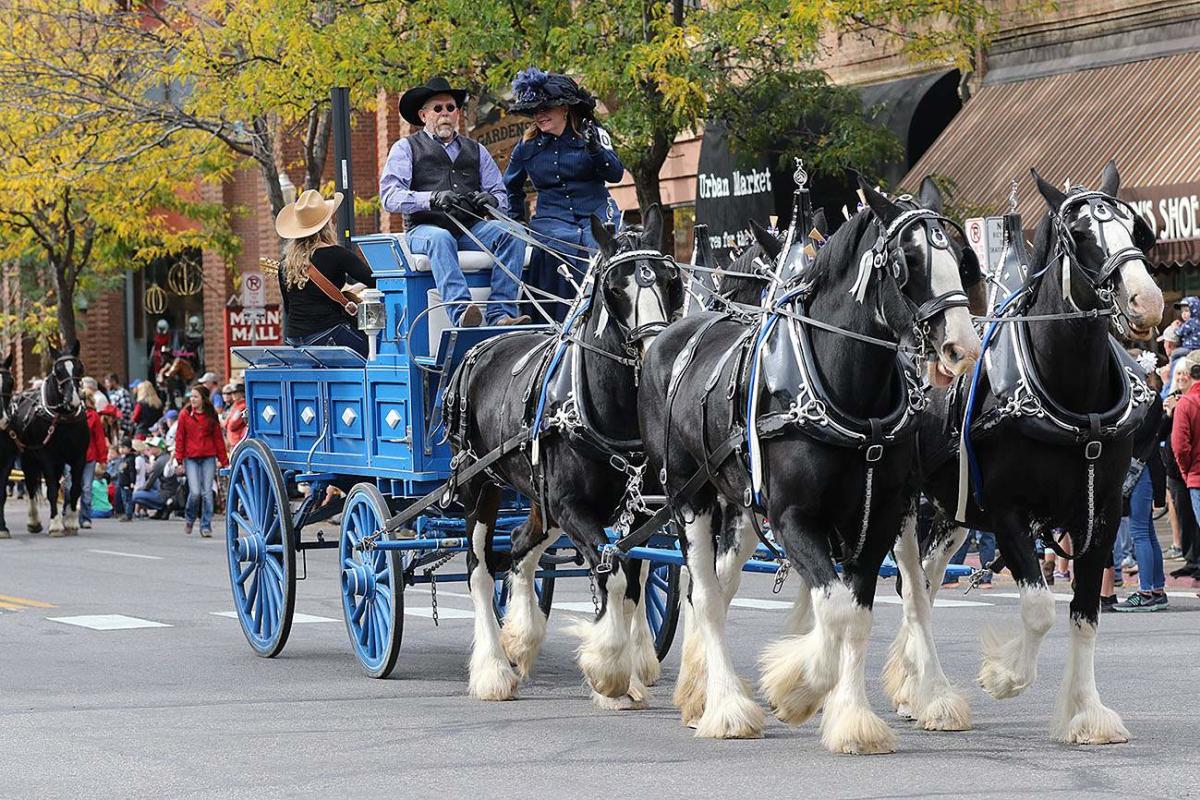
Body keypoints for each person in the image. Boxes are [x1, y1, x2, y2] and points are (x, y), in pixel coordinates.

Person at [379, 76, 529, 328]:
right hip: (424, 229)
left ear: (458, 113)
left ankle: (501, 314)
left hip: (470, 228)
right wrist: (432, 198)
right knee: (441, 238)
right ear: (423, 115)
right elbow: (389, 196)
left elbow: (500, 194)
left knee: (514, 233)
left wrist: (492, 200)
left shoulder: (477, 150)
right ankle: (461, 313)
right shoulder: (405, 148)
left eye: (450, 108)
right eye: (437, 108)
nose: (445, 113)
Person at [504, 67, 625, 320]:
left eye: (546, 108)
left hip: (597, 214)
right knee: (558, 248)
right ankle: (557, 322)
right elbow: (510, 186)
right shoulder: (526, 147)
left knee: (603, 250)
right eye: (535, 110)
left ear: (564, 108)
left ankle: (614, 319)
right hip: (551, 221)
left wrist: (595, 150)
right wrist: (516, 220)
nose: (540, 115)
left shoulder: (593, 134)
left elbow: (615, 174)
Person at [275, 189, 378, 357]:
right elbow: (375, 280)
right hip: (329, 334)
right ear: (327, 226)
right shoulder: (337, 254)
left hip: (295, 340)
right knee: (377, 350)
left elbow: (289, 307)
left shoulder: (285, 264)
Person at [1113, 388, 1168, 611]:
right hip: (1148, 468)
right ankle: (1157, 590)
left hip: (1140, 470)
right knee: (1147, 532)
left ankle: (1145, 592)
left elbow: (1136, 435)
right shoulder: (1153, 401)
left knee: (1140, 532)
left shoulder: (1145, 401)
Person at [174, 384, 228, 537]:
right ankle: (190, 518)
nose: (192, 399)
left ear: (203, 399)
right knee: (195, 492)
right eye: (191, 396)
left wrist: (224, 460)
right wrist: (179, 460)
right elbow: (180, 437)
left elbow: (218, 438)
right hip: (191, 457)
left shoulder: (211, 415)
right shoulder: (185, 414)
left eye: (195, 397)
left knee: (207, 492)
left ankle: (206, 525)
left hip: (208, 456)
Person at [78, 389, 108, 530]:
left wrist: (102, 459)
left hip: (89, 457)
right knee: (70, 487)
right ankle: (68, 513)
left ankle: (85, 517)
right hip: (72, 457)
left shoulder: (93, 416)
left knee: (87, 488)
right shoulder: (67, 416)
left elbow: (99, 439)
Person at [130, 437, 174, 517]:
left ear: (158, 448)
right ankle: (161, 509)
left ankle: (162, 507)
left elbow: (150, 482)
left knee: (135, 496)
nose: (149, 448)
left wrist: (139, 489)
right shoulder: (164, 458)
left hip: (166, 494)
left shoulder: (160, 461)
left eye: (152, 446)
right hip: (169, 491)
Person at [223, 383, 247, 451]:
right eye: (232, 393)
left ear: (242, 393)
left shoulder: (242, 406)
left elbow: (232, 425)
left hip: (237, 441)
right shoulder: (236, 405)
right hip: (233, 441)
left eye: (235, 393)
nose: (233, 395)